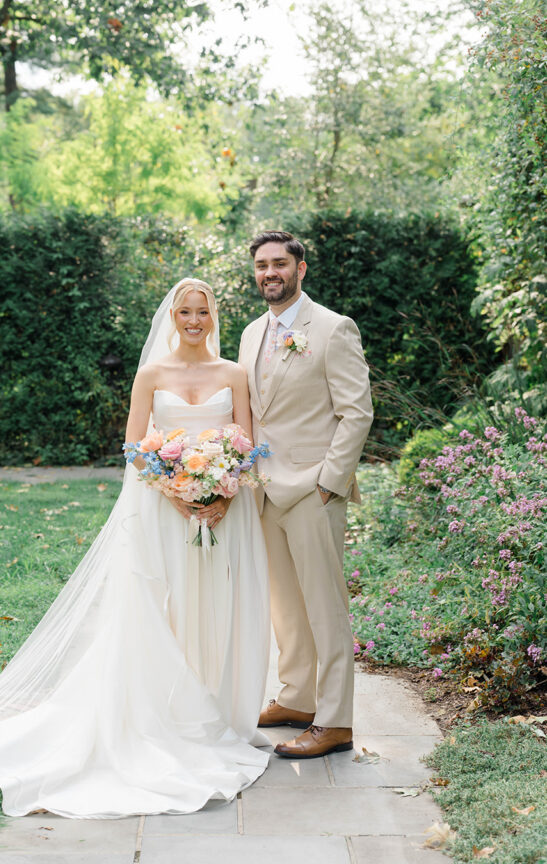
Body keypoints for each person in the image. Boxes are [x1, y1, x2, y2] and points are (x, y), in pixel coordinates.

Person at [0, 279, 270, 818]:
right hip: (164, 509)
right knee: (162, 609)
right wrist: (176, 491)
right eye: (185, 312)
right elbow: (134, 447)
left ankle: (213, 709)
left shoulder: (233, 374)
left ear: (213, 315)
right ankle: (165, 714)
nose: (194, 320)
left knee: (216, 605)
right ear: (173, 317)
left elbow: (245, 443)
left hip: (223, 511)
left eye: (202, 311)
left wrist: (223, 492)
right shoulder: (151, 374)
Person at [238, 231, 373, 760]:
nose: (270, 272)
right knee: (286, 606)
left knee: (325, 608)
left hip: (314, 490)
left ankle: (335, 722)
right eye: (261, 265)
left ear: (301, 268)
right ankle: (297, 698)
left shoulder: (334, 328)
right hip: (265, 491)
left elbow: (356, 413)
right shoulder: (251, 333)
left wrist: (328, 484)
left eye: (279, 263)